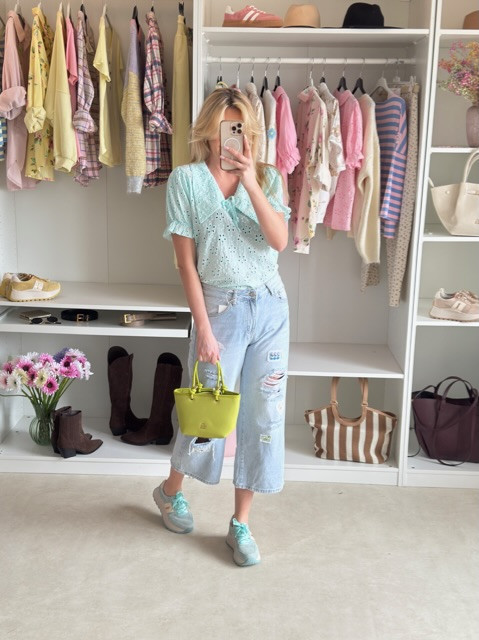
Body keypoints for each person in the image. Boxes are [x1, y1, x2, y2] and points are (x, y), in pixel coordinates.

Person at [153, 87, 290, 567]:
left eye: (240, 127)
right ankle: (170, 491)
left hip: (270, 306)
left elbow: (280, 241)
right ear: (208, 129)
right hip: (219, 308)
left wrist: (251, 181)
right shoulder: (186, 181)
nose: (231, 136)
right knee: (206, 418)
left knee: (263, 415)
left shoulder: (268, 177)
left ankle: (240, 524)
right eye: (224, 127)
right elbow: (186, 265)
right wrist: (204, 330)